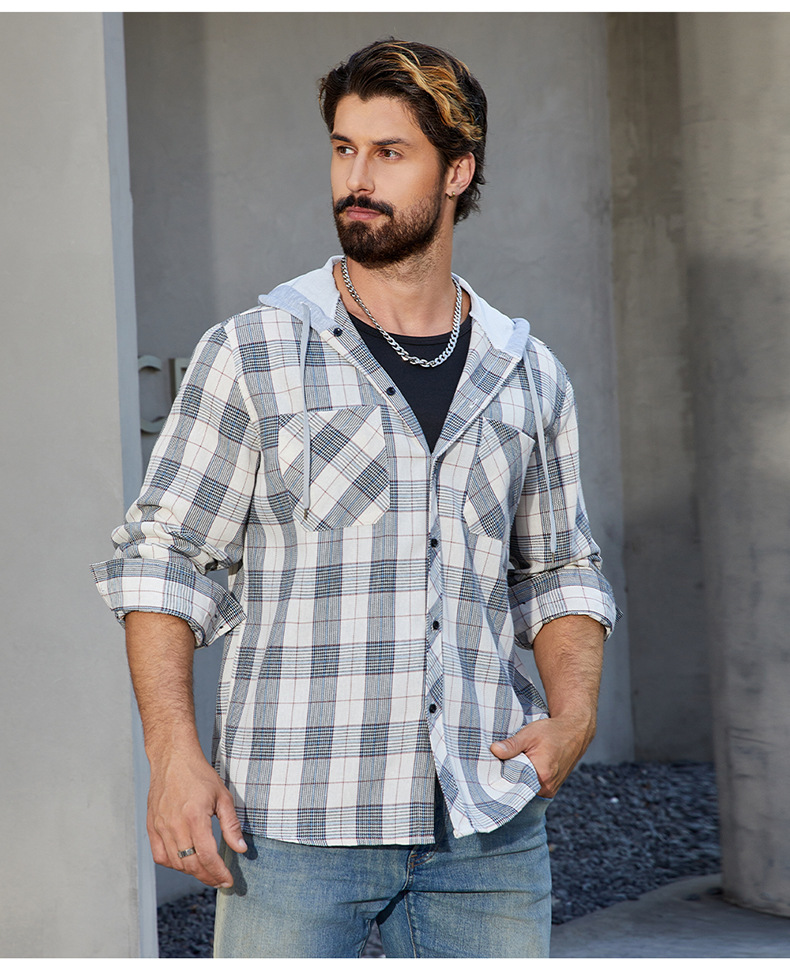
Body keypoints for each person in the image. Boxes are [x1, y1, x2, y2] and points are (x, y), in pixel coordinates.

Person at [92, 38, 617, 958]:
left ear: (458, 171)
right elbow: (166, 560)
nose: (356, 179)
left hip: (486, 824)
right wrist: (173, 756)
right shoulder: (254, 351)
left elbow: (559, 568)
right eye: (343, 149)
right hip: (292, 825)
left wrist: (574, 715)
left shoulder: (526, 372)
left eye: (389, 152)